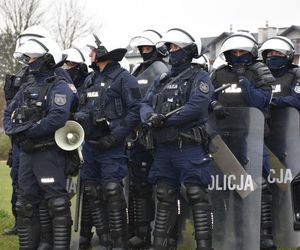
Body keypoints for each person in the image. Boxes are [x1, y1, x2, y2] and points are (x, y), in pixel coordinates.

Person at [140, 28, 214, 250]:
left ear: (188, 50)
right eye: (169, 47)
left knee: (197, 195)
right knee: (164, 195)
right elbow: (144, 104)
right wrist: (149, 117)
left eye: (174, 47)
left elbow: (196, 107)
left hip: (188, 146)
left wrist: (165, 120)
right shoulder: (162, 79)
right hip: (163, 148)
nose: (170, 51)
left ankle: (204, 246)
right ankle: (160, 245)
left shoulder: (199, 77)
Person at [3, 37, 77, 250]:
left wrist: (27, 133)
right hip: (26, 153)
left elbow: (57, 118)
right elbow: (9, 112)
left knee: (56, 203)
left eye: (31, 57)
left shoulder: (59, 85)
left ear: (46, 58)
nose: (27, 61)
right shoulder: (27, 84)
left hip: (48, 153)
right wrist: (14, 132)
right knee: (25, 204)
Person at [210, 31, 276, 249]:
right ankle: (227, 230)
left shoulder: (260, 72)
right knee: (224, 187)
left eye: (242, 52)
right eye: (234, 53)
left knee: (260, 184)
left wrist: (243, 80)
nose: (238, 56)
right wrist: (214, 105)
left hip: (253, 138)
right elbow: (206, 98)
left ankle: (263, 234)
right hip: (225, 139)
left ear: (251, 53)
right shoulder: (218, 74)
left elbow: (259, 101)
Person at [74, 34, 141, 249]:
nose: (90, 54)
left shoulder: (125, 78)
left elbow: (134, 111)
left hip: (112, 146)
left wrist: (115, 136)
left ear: (104, 53)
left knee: (112, 191)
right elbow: (80, 109)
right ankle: (104, 240)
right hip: (91, 146)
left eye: (92, 51)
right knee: (92, 191)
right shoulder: (89, 80)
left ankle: (120, 243)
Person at [127, 29, 169, 248]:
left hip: (158, 134)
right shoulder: (137, 70)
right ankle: (141, 233)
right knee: (140, 187)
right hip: (138, 135)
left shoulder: (162, 69)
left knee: (163, 189)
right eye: (141, 49)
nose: (144, 52)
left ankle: (165, 236)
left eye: (148, 48)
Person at [259, 36, 300, 109]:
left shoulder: (296, 74)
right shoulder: (259, 75)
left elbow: (297, 100)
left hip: (291, 118)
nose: (274, 56)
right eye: (271, 54)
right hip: (261, 117)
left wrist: (273, 101)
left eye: (278, 53)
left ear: (288, 56)